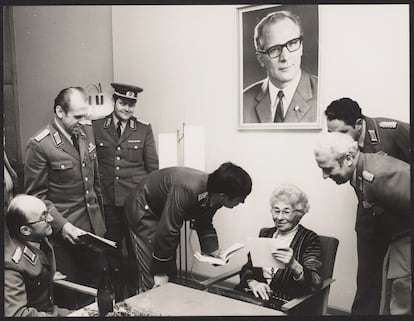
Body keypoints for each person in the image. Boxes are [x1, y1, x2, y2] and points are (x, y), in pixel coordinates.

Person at [24, 87, 106, 309]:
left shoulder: (85, 132)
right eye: (77, 116)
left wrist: (101, 226)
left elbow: (95, 183)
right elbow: (36, 199)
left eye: (85, 116)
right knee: (68, 297)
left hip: (92, 234)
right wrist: (63, 226)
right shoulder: (40, 145)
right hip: (63, 238)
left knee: (93, 294)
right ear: (60, 112)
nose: (83, 121)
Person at [314, 132, 411, 315]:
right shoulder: (361, 168)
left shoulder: (380, 176)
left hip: (406, 242)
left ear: (348, 158)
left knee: (402, 304)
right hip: (397, 239)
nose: (324, 176)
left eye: (327, 168)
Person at [124, 162, 252, 291]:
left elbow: (204, 222)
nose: (242, 202)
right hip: (145, 207)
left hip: (163, 213)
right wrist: (160, 272)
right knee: (154, 279)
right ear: (223, 196)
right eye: (241, 198)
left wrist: (213, 252)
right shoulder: (187, 188)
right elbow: (169, 230)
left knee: (170, 273)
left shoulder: (216, 191)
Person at [93, 83, 159, 294]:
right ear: (114, 101)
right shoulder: (96, 127)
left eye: (131, 104)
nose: (126, 108)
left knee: (134, 251)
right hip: (108, 201)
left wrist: (148, 203)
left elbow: (152, 169)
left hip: (134, 203)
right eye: (123, 103)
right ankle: (115, 293)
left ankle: (132, 293)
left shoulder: (143, 129)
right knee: (111, 248)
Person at [235, 184, 322, 301]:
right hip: (254, 297)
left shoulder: (309, 238)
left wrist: (293, 265)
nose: (279, 217)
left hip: (285, 302)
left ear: (298, 214)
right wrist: (254, 283)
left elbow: (315, 280)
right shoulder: (265, 233)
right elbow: (248, 267)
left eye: (286, 212)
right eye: (276, 211)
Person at [243, 10, 318, 123]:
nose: (285, 57)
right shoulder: (243, 101)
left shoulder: (323, 92)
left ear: (301, 47)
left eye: (292, 43)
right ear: (260, 58)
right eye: (274, 49)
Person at [4, 195, 71, 317]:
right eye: (43, 217)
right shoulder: (11, 264)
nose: (50, 219)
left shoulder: (39, 240)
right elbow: (16, 314)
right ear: (25, 230)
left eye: (47, 213)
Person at [325, 97, 410, 163]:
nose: (336, 139)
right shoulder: (343, 144)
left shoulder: (395, 131)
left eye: (342, 132)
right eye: (331, 133)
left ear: (359, 124)